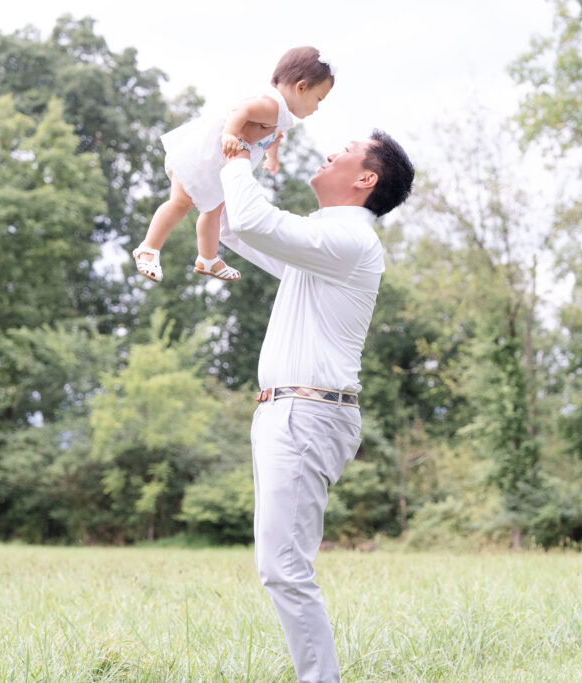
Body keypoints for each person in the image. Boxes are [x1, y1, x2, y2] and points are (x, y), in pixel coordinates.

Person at [219, 130, 414, 683]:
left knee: (283, 567)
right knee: (278, 566)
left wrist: (237, 163)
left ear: (365, 178)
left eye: (345, 150)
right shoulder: (324, 241)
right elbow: (237, 226)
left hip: (308, 413)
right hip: (288, 412)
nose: (331, 151)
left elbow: (256, 221)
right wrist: (228, 156)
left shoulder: (351, 243)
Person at [132, 46, 335, 283]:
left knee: (213, 211)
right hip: (203, 157)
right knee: (180, 203)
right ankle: (148, 248)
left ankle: (207, 259)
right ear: (301, 87)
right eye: (318, 99)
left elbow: (274, 137)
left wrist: (272, 157)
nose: (317, 107)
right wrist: (229, 133)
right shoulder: (271, 105)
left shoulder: (281, 116)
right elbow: (241, 111)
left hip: (219, 167)